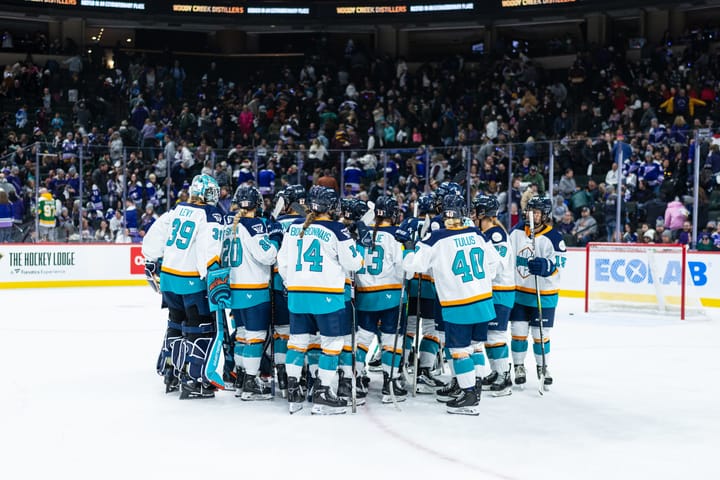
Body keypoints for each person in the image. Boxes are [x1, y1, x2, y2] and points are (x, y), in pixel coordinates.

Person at [401, 194, 499, 415]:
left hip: (458, 304)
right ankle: (475, 387)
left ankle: (469, 396)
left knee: (458, 350)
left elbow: (411, 267)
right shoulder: (477, 234)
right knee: (475, 347)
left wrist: (408, 246)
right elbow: (495, 265)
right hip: (483, 301)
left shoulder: (435, 239)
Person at [276, 185, 363, 414]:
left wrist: (292, 283)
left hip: (296, 294)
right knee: (332, 344)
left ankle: (294, 391)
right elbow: (354, 264)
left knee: (297, 342)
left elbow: (281, 261)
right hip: (327, 296)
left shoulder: (294, 227)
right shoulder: (337, 229)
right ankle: (323, 393)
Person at [141, 174, 224, 399]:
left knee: (176, 324)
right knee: (201, 328)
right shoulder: (210, 214)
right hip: (192, 282)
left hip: (168, 279)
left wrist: (150, 259)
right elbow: (209, 249)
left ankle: (172, 371)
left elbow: (153, 237)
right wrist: (213, 275)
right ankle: (193, 380)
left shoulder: (176, 210)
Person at [226, 185, 280, 401]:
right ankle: (251, 382)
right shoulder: (254, 224)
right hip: (254, 290)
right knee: (256, 338)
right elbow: (268, 255)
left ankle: (240, 378)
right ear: (257, 204)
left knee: (241, 336)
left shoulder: (229, 224)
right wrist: (276, 237)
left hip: (234, 289)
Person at [509, 196, 566, 391]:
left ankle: (543, 368)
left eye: (536, 212)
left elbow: (561, 265)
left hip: (544, 294)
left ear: (545, 215)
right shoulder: (516, 233)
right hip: (519, 293)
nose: (531, 215)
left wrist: (546, 266)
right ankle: (518, 367)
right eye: (529, 210)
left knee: (540, 335)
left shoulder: (554, 238)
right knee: (518, 332)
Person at [354, 196, 408, 404]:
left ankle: (356, 379)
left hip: (365, 295)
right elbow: (407, 270)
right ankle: (390, 383)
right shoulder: (397, 236)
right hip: (392, 296)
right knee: (391, 340)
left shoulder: (363, 233)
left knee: (363, 339)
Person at [473, 194, 515, 397]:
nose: (472, 216)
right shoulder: (486, 233)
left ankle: (504, 376)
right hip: (494, 291)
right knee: (490, 334)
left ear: (484, 214)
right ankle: (497, 371)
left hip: (501, 291)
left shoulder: (496, 234)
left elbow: (497, 265)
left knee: (495, 334)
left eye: (475, 212)